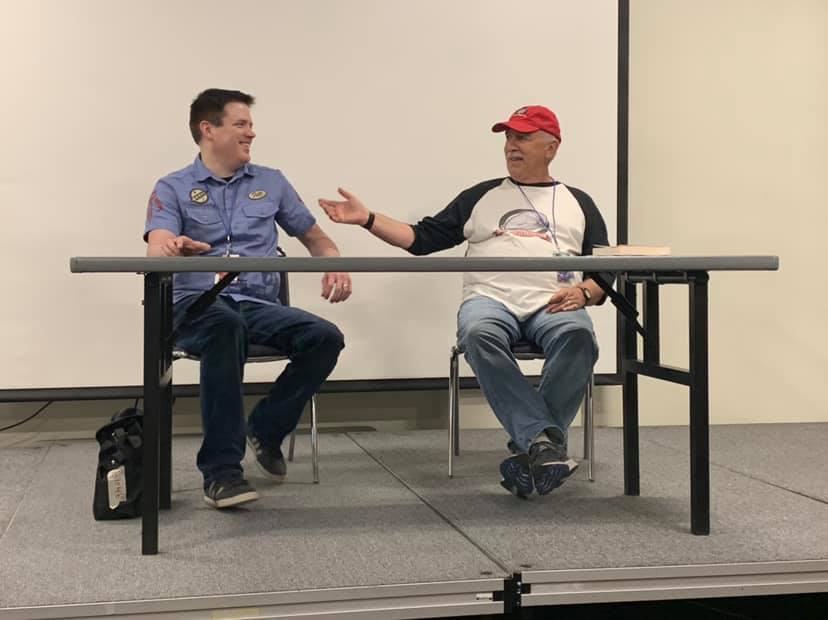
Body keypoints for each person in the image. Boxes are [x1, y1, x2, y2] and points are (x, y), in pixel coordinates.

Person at [319, 105, 609, 498]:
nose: (512, 145)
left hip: (555, 303)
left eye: (523, 137)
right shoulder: (482, 196)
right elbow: (421, 239)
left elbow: (605, 272)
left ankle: (537, 447)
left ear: (551, 147)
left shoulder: (579, 202)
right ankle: (542, 443)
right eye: (509, 138)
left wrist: (584, 292)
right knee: (477, 333)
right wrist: (368, 218)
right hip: (490, 300)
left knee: (579, 337)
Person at [144, 88, 351, 509]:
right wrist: (175, 249)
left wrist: (334, 263)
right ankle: (221, 472)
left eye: (251, 125)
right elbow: (157, 248)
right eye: (241, 124)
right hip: (197, 306)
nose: (251, 133)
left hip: (256, 305)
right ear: (208, 129)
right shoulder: (173, 187)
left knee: (325, 337)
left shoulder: (271, 182)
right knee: (225, 325)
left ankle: (266, 428)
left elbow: (316, 238)